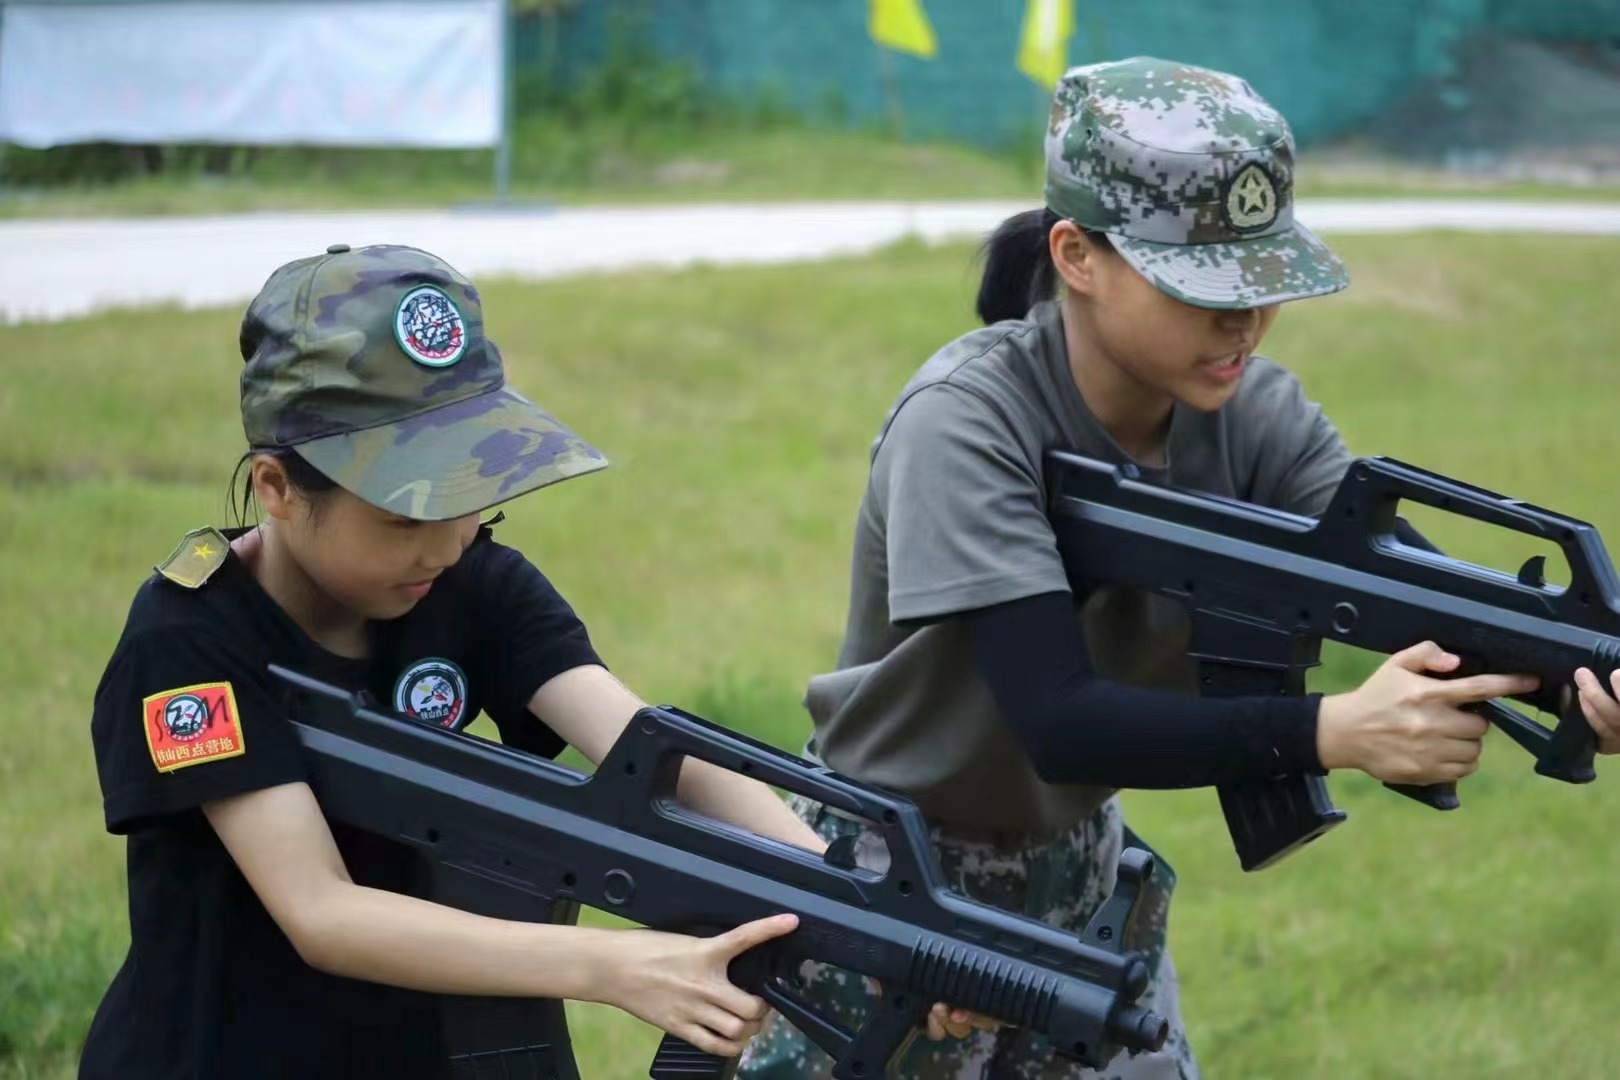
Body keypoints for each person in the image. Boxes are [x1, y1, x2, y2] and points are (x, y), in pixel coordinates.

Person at [736, 56, 1610, 1079]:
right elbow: (1060, 720)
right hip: (888, 881)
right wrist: (1332, 731)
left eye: (1262, 282)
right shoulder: (967, 422)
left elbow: (1419, 595)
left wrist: (1575, 674)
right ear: (1076, 255)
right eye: (1202, 285)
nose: (1243, 322)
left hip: (1085, 875)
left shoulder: (1254, 414)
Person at [80, 243, 978, 1079]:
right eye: (404, 513)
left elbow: (655, 755)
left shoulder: (469, 582)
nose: (448, 540)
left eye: (469, 495)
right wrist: (617, 966)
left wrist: (870, 915)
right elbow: (322, 911)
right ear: (276, 487)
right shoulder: (188, 642)